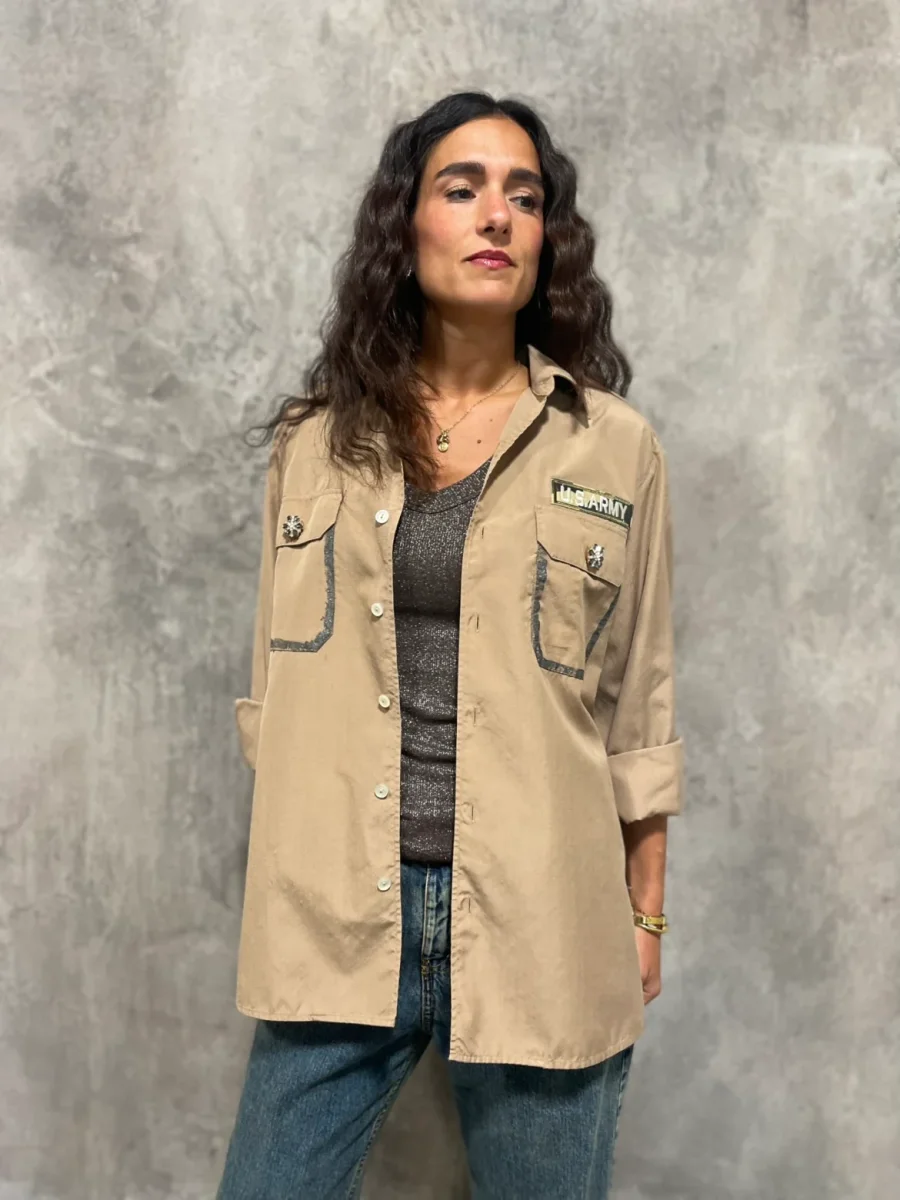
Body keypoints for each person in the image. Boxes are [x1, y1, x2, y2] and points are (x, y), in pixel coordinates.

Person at [217, 89, 684, 1199]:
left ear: (547, 238)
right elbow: (274, 697)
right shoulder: (315, 444)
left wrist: (645, 913)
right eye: (462, 188)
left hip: (544, 924)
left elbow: (641, 706)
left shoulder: (614, 448)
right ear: (408, 224)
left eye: (524, 196)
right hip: (338, 921)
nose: (496, 216)